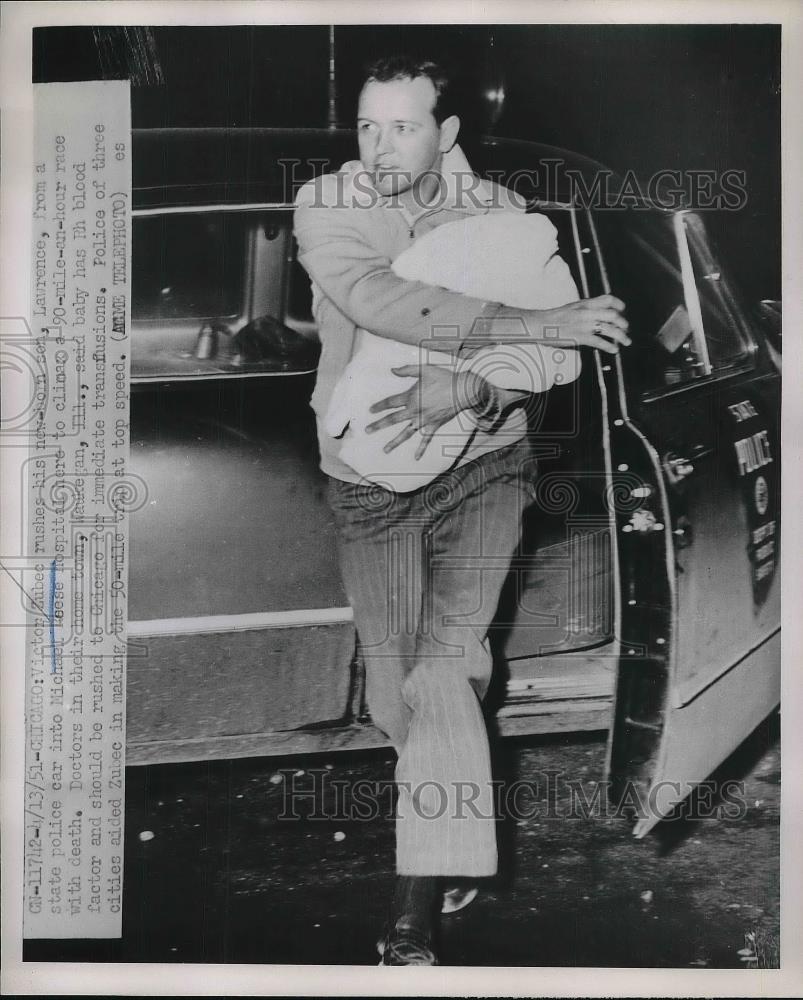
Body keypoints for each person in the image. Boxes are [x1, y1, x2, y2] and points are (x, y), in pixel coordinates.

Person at [293, 53, 630, 966]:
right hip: (369, 485)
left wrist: (476, 390)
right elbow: (381, 300)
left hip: (486, 471)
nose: (378, 146)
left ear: (445, 133)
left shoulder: (509, 220)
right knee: (399, 694)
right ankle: (451, 811)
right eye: (366, 125)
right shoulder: (328, 205)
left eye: (401, 126)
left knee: (449, 669)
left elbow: (570, 349)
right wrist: (527, 327)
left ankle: (414, 909)